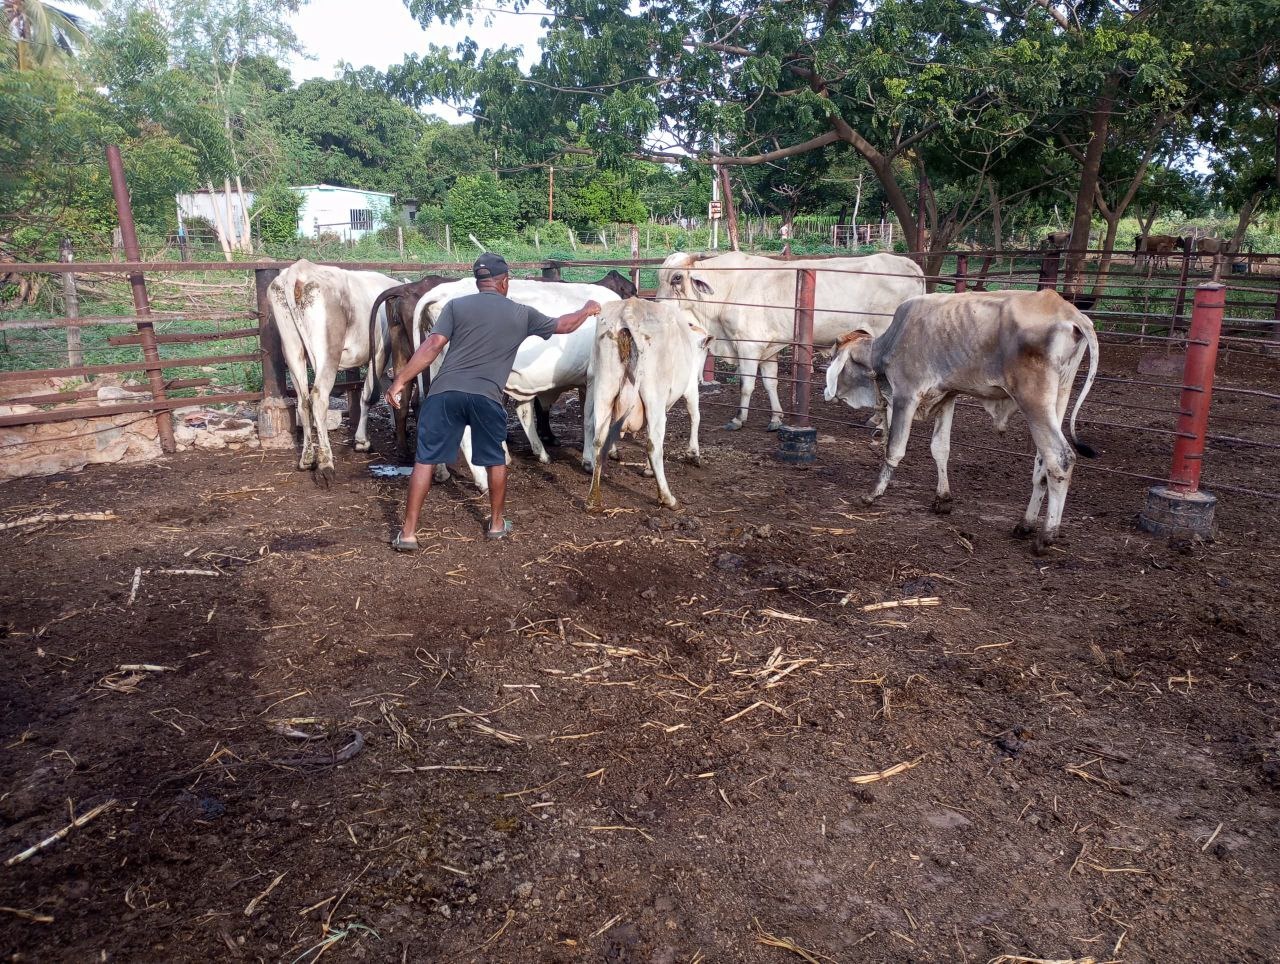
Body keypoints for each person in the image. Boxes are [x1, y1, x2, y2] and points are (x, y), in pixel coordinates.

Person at [385, 253, 601, 549]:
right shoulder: (520, 313)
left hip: (444, 393)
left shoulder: (455, 306)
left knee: (425, 461)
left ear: (478, 282)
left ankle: (408, 533)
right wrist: (587, 309)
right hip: (485, 397)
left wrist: (400, 380)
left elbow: (433, 345)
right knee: (495, 461)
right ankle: (496, 524)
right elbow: (564, 325)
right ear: (505, 281)